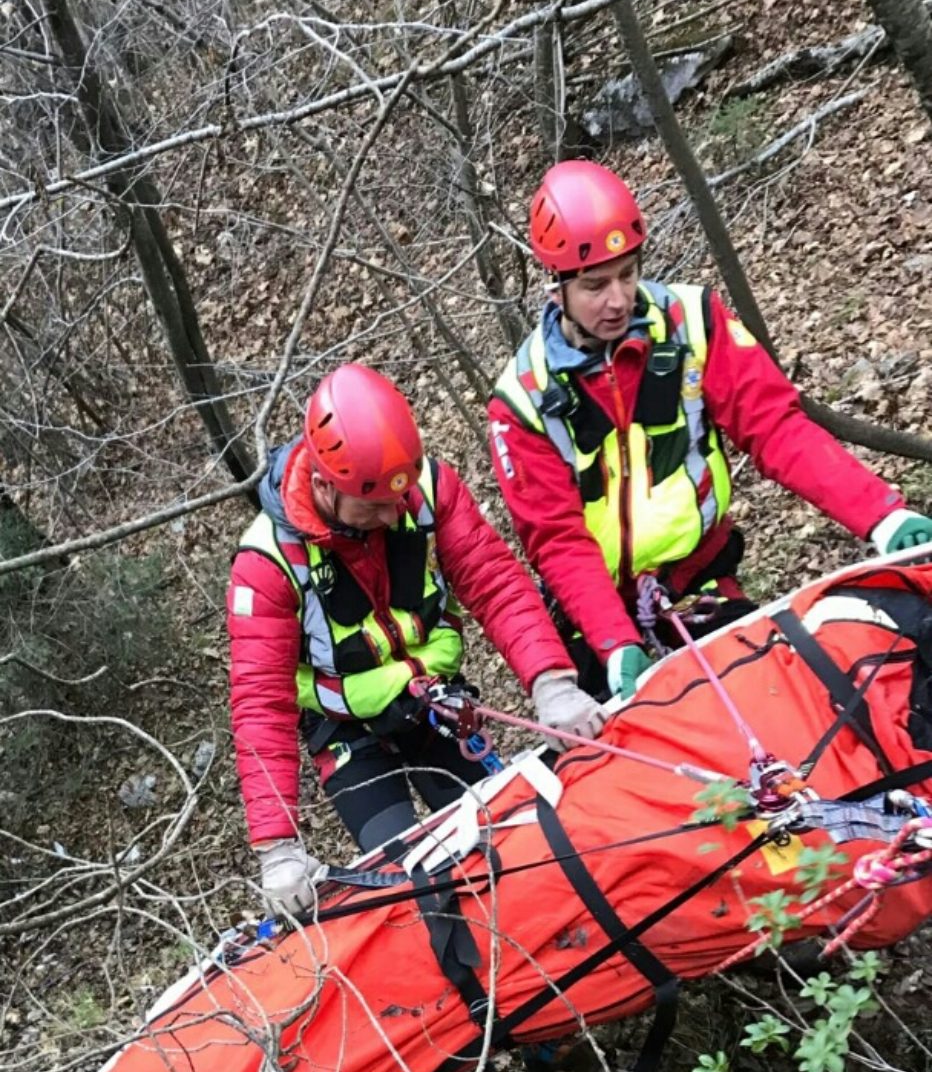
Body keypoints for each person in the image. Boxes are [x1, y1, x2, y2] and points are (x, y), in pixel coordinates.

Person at [488, 159, 932, 700]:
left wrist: (880, 513)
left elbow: (774, 429)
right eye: (595, 284)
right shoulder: (524, 397)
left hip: (697, 583)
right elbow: (557, 537)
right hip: (594, 611)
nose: (618, 300)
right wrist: (613, 639)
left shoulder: (693, 322)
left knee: (765, 718)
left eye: (628, 274)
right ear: (555, 288)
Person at [228, 362, 605, 914]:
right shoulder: (267, 563)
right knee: (421, 882)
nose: (393, 512)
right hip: (347, 730)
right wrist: (277, 847)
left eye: (397, 495)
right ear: (322, 486)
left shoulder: (423, 491)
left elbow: (494, 583)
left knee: (503, 848)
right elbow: (261, 704)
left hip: (435, 700)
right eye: (374, 503)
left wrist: (553, 684)